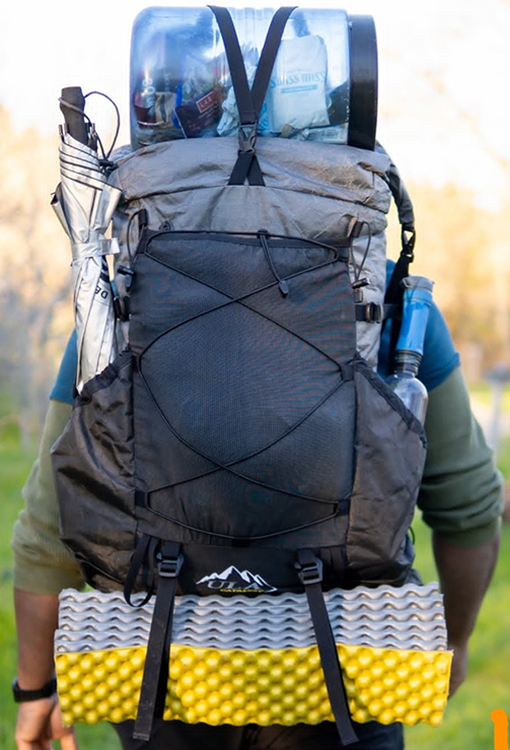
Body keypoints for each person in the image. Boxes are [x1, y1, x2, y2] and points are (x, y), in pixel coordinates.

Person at [11, 275, 503, 750]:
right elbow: (470, 503)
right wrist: (453, 645)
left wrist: (34, 689)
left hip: (157, 660)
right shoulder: (390, 295)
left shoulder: (121, 297)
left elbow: (48, 526)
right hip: (350, 658)